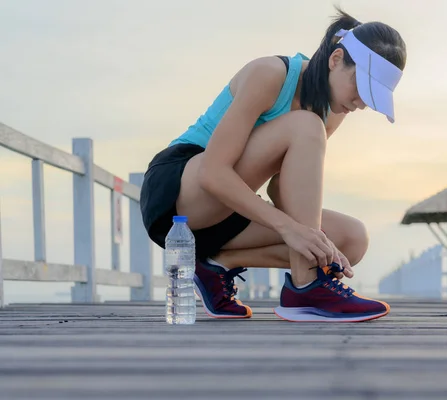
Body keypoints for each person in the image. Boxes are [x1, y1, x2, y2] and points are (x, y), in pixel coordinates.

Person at [139, 6, 407, 322]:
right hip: (181, 194)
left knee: (351, 239)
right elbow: (213, 173)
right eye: (361, 87)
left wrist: (310, 237)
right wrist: (289, 228)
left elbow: (283, 189)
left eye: (372, 97)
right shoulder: (271, 74)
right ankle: (305, 287)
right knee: (306, 125)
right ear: (335, 60)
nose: (362, 103)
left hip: (231, 211)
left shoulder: (332, 112)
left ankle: (214, 266)